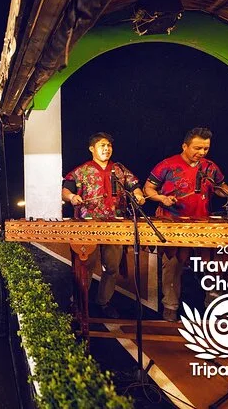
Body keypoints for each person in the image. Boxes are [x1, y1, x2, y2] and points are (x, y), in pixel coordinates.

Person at [144, 127, 228, 321]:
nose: (202, 152)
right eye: (197, 148)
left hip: (203, 223)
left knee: (214, 266)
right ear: (185, 146)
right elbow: (148, 188)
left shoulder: (209, 167)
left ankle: (214, 305)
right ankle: (170, 306)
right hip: (173, 223)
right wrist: (162, 198)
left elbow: (219, 187)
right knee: (172, 267)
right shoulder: (167, 165)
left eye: (206, 148)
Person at [61, 132, 145, 318]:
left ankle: (104, 302)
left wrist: (138, 195)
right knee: (86, 266)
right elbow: (65, 190)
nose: (107, 149)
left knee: (112, 267)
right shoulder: (81, 171)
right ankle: (79, 303)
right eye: (102, 145)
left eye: (109, 146)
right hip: (88, 225)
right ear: (92, 148)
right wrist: (72, 197)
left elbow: (134, 186)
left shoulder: (120, 170)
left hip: (115, 224)